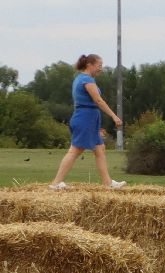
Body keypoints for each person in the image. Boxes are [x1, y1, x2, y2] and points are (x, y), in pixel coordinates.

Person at [48, 54, 126, 190]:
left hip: (88, 119)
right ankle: (56, 183)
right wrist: (114, 116)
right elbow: (98, 100)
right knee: (75, 150)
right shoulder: (86, 80)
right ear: (90, 65)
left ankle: (108, 183)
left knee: (100, 150)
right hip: (84, 119)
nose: (101, 69)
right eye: (99, 66)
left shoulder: (81, 79)